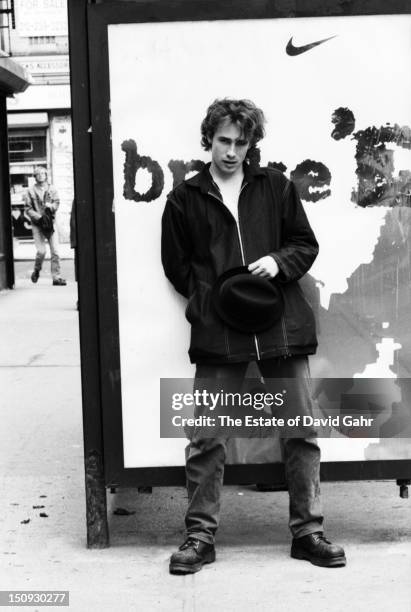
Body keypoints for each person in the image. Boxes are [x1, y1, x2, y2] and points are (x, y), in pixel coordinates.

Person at [161, 98, 346, 574]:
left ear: (251, 144)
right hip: (219, 332)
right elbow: (177, 266)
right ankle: (199, 536)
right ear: (209, 139)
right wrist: (211, 301)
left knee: (301, 431)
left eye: (240, 142)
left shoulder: (276, 187)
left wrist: (279, 263)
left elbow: (305, 244)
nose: (231, 151)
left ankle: (308, 532)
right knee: (206, 436)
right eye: (223, 140)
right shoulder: (185, 198)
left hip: (280, 326)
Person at [23, 166, 66, 286]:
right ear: (35, 177)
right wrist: (39, 217)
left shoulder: (52, 189)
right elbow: (28, 209)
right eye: (38, 174)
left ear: (46, 175)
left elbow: (57, 203)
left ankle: (56, 277)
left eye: (43, 173)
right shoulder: (30, 191)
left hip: (50, 224)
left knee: (56, 251)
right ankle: (37, 270)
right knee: (41, 251)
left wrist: (50, 206)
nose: (41, 175)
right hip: (38, 225)